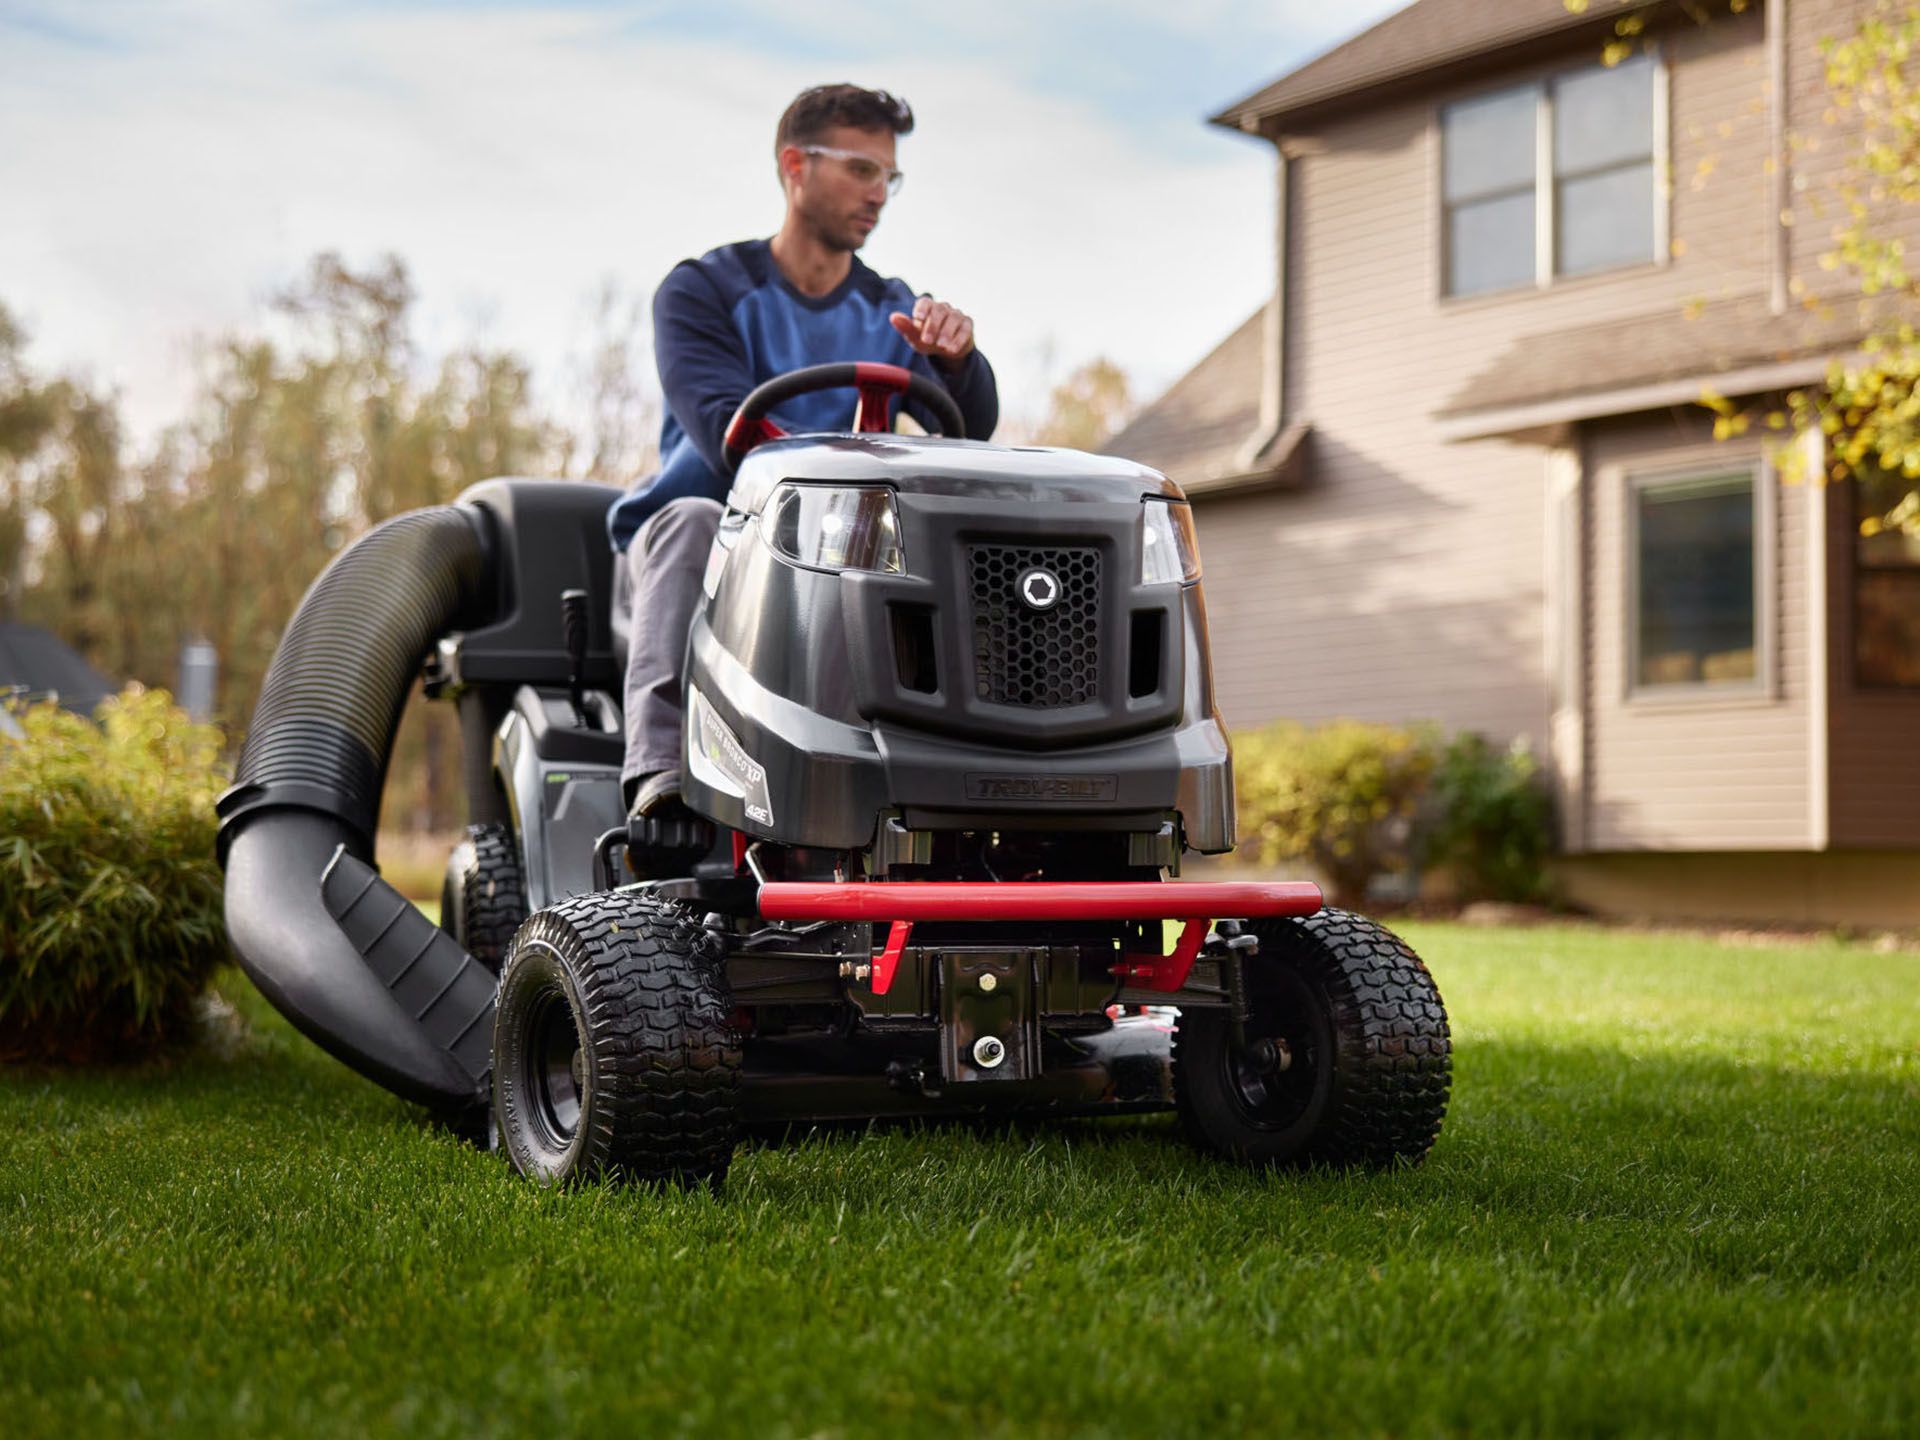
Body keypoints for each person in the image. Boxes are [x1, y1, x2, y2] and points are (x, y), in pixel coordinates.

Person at [608, 83, 998, 826]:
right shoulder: (704, 292)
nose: (879, 193)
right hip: (705, 542)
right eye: (860, 169)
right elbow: (731, 434)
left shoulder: (893, 305)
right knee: (691, 517)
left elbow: (967, 432)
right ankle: (659, 775)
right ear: (795, 165)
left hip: (834, 551)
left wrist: (956, 361)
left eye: (889, 175)